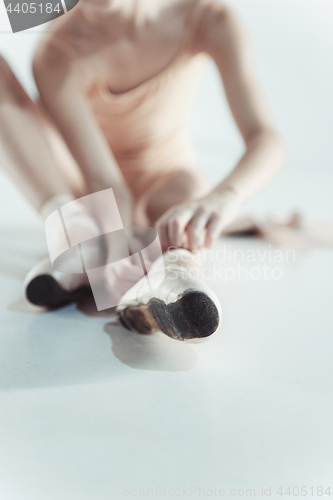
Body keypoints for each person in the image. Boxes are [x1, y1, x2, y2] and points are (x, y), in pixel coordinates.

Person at [0, 0, 285, 340]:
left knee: (188, 187)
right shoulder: (57, 50)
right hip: (93, 191)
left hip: (166, 184)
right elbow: (103, 177)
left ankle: (176, 278)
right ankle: (83, 238)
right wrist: (114, 236)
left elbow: (265, 137)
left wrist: (222, 198)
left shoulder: (206, 18)